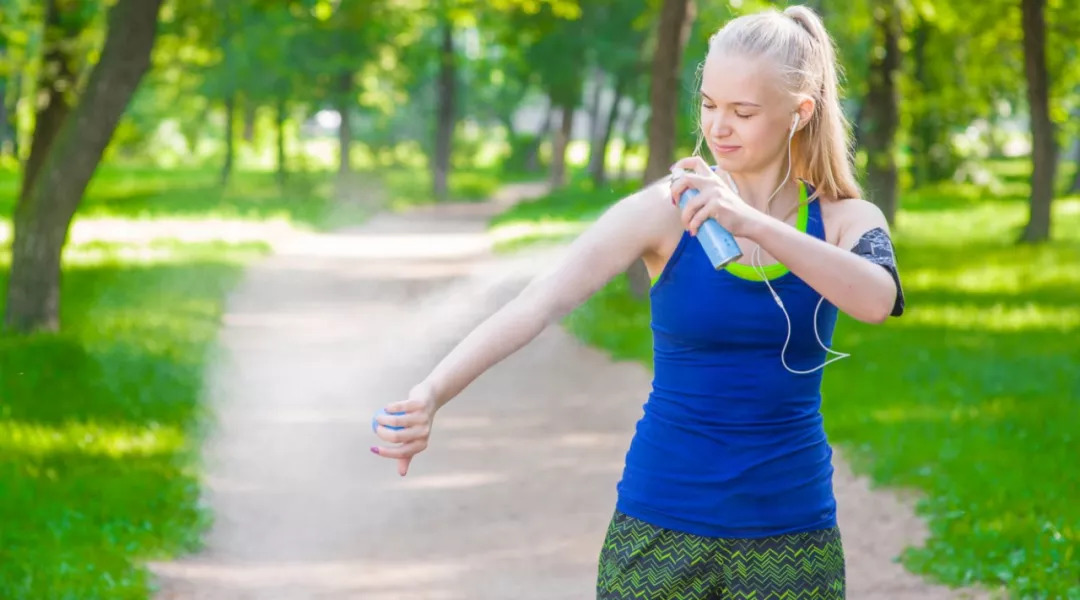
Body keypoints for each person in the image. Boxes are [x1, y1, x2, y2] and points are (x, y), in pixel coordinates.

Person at [371, 4, 905, 598]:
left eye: (742, 111)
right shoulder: (663, 212)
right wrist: (432, 393)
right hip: (659, 527)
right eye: (708, 104)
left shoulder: (845, 220)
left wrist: (752, 223)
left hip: (792, 535)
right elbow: (536, 303)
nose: (718, 126)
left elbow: (877, 299)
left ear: (798, 112)